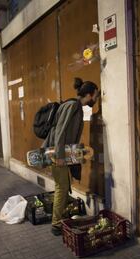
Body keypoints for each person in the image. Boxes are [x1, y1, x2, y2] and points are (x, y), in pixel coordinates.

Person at [43, 77, 100, 236]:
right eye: (95, 96)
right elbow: (60, 130)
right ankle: (56, 224)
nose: (96, 99)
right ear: (88, 95)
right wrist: (60, 155)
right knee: (61, 187)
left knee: (63, 184)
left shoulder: (75, 106)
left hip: (62, 153)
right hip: (58, 154)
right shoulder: (73, 106)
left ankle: (61, 216)